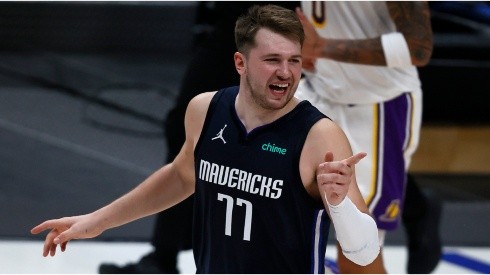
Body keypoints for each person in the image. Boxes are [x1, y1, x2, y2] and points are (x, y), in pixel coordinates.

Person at [31, 5, 382, 273]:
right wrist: (99, 220)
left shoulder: (318, 135)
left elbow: (364, 253)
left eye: (294, 60)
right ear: (240, 63)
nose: (286, 72)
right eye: (272, 59)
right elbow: (183, 175)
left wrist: (340, 206)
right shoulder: (205, 109)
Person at [97, 2, 301, 273]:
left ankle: (174, 254)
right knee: (195, 138)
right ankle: (171, 253)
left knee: (262, 146)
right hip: (247, 26)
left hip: (263, 27)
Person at [294, 2, 441, 273]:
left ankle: (418, 209)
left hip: (375, 105)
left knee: (357, 253)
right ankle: (417, 205)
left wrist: (323, 47)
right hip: (314, 91)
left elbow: (418, 46)